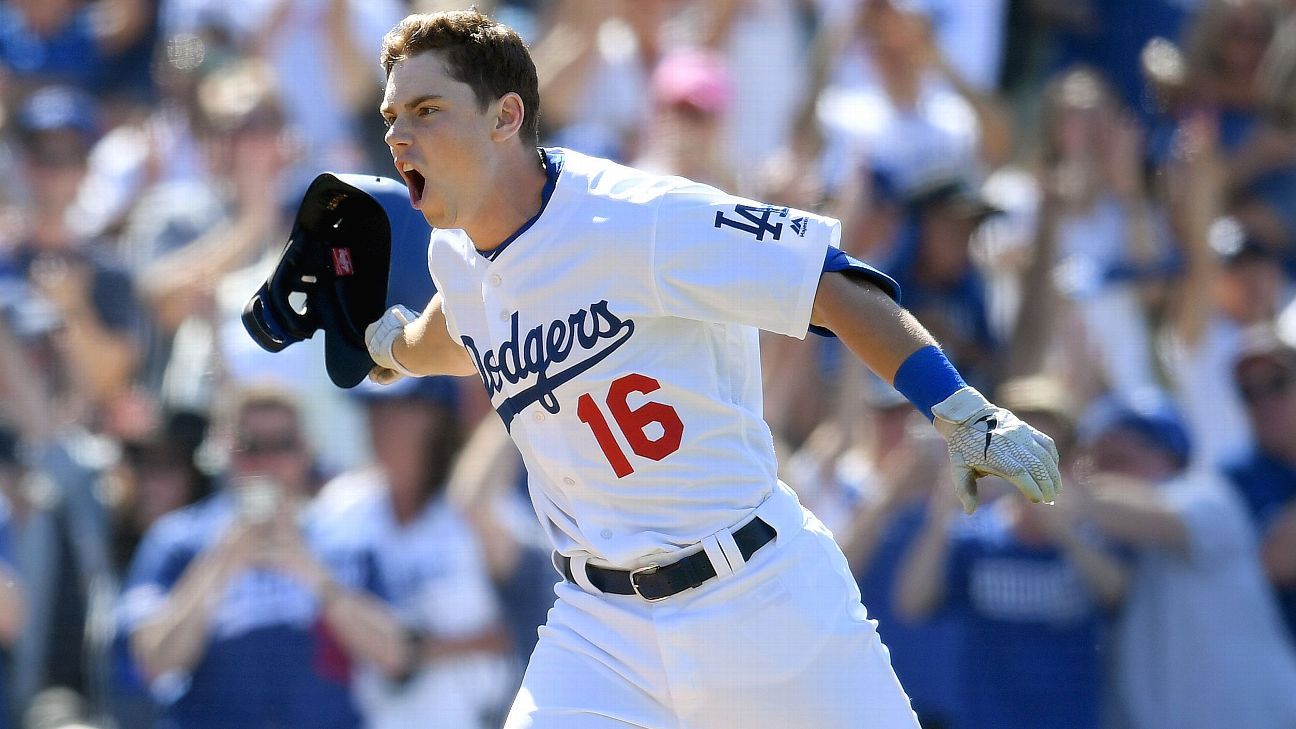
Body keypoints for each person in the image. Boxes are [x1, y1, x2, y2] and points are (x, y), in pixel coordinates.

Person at [362, 11, 1060, 728]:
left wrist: (961, 409)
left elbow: (828, 284)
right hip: (599, 628)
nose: (397, 134)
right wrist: (390, 349)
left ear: (506, 115)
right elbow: (465, 322)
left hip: (759, 596)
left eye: (426, 109)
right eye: (390, 115)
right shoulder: (456, 252)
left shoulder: (638, 217)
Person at [117, 385, 412, 729]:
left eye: (282, 445)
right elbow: (153, 663)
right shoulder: (177, 540)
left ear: (306, 452)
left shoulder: (345, 537)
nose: (267, 462)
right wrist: (221, 561)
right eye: (250, 445)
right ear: (225, 450)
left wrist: (312, 573)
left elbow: (398, 656)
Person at [1072, 403, 1296, 729]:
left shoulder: (1206, 495)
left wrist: (1048, 487)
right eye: (1094, 461)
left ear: (1168, 457)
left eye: (1119, 458)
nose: (1103, 472)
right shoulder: (1099, 537)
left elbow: (1156, 517)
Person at [317, 376, 515, 729]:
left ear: (437, 419)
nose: (380, 424)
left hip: (481, 717)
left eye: (399, 411)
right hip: (375, 717)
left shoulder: (477, 510)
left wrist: (419, 652)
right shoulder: (341, 506)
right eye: (374, 410)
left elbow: (527, 620)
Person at [1225, 326, 1296, 644]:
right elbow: (1275, 564)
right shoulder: (1230, 481)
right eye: (1248, 392)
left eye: (1276, 384)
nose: (1263, 400)